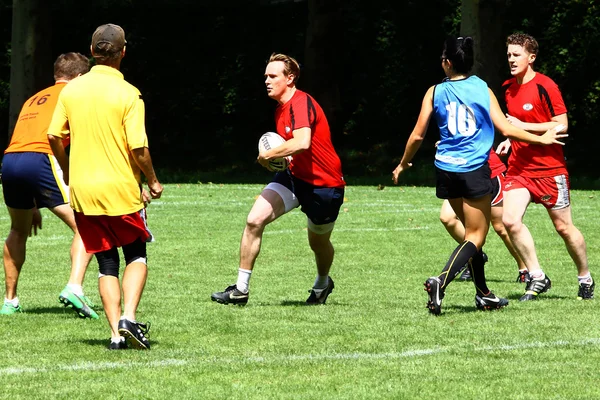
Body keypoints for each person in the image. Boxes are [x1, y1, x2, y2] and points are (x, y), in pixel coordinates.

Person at [391, 36, 567, 315]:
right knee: (476, 237)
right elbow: (506, 129)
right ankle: (441, 281)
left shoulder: (434, 91)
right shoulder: (482, 88)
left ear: (448, 63)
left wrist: (402, 164)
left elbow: (417, 135)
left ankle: (484, 293)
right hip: (473, 170)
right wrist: (542, 140)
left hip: (445, 170)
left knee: (470, 235)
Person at [47, 24, 163, 350]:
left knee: (106, 262)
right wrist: (152, 180)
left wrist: (68, 170)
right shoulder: (128, 93)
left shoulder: (71, 90)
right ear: (124, 52)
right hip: (121, 190)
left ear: (92, 50)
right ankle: (128, 316)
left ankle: (115, 335)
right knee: (136, 254)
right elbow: (138, 147)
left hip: (83, 190)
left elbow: (54, 136)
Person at [211, 53, 345, 306]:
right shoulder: (281, 109)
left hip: (324, 185)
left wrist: (267, 155)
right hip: (293, 177)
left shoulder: (301, 103)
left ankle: (322, 283)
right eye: (265, 76)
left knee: (318, 242)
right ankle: (241, 289)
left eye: (273, 76)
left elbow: (302, 142)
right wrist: (276, 159)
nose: (267, 81)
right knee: (254, 220)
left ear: (290, 78)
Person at [0, 52, 98, 319]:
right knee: (87, 225)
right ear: (79, 77)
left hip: (10, 161)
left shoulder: (34, 98)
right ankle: (74, 287)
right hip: (42, 158)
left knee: (18, 231)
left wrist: (31, 203)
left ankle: (10, 301)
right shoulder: (75, 96)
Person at [498, 32, 594, 301]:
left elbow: (561, 124)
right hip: (519, 169)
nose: (511, 59)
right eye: (508, 55)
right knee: (509, 220)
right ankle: (537, 276)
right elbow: (513, 124)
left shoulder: (546, 86)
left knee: (564, 228)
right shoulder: (507, 87)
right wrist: (509, 138)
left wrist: (524, 126)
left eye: (516, 55)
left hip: (550, 170)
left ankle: (585, 277)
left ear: (531, 57)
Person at [439, 149, 527, 281]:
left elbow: (505, 129)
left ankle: (525, 268)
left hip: (487, 171)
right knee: (447, 218)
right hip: (460, 173)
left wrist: (509, 139)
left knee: (501, 227)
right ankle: (474, 254)